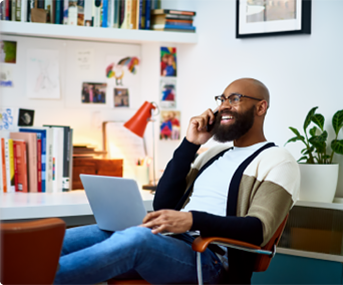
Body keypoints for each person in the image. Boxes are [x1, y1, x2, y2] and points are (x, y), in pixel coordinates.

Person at [53, 78, 300, 285]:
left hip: (208, 259)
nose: (224, 106)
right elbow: (164, 202)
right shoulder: (213, 154)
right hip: (168, 242)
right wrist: (190, 144)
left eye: (234, 99)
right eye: (221, 99)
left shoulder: (277, 160)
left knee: (137, 239)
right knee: (64, 239)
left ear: (261, 107)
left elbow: (257, 229)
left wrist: (192, 220)